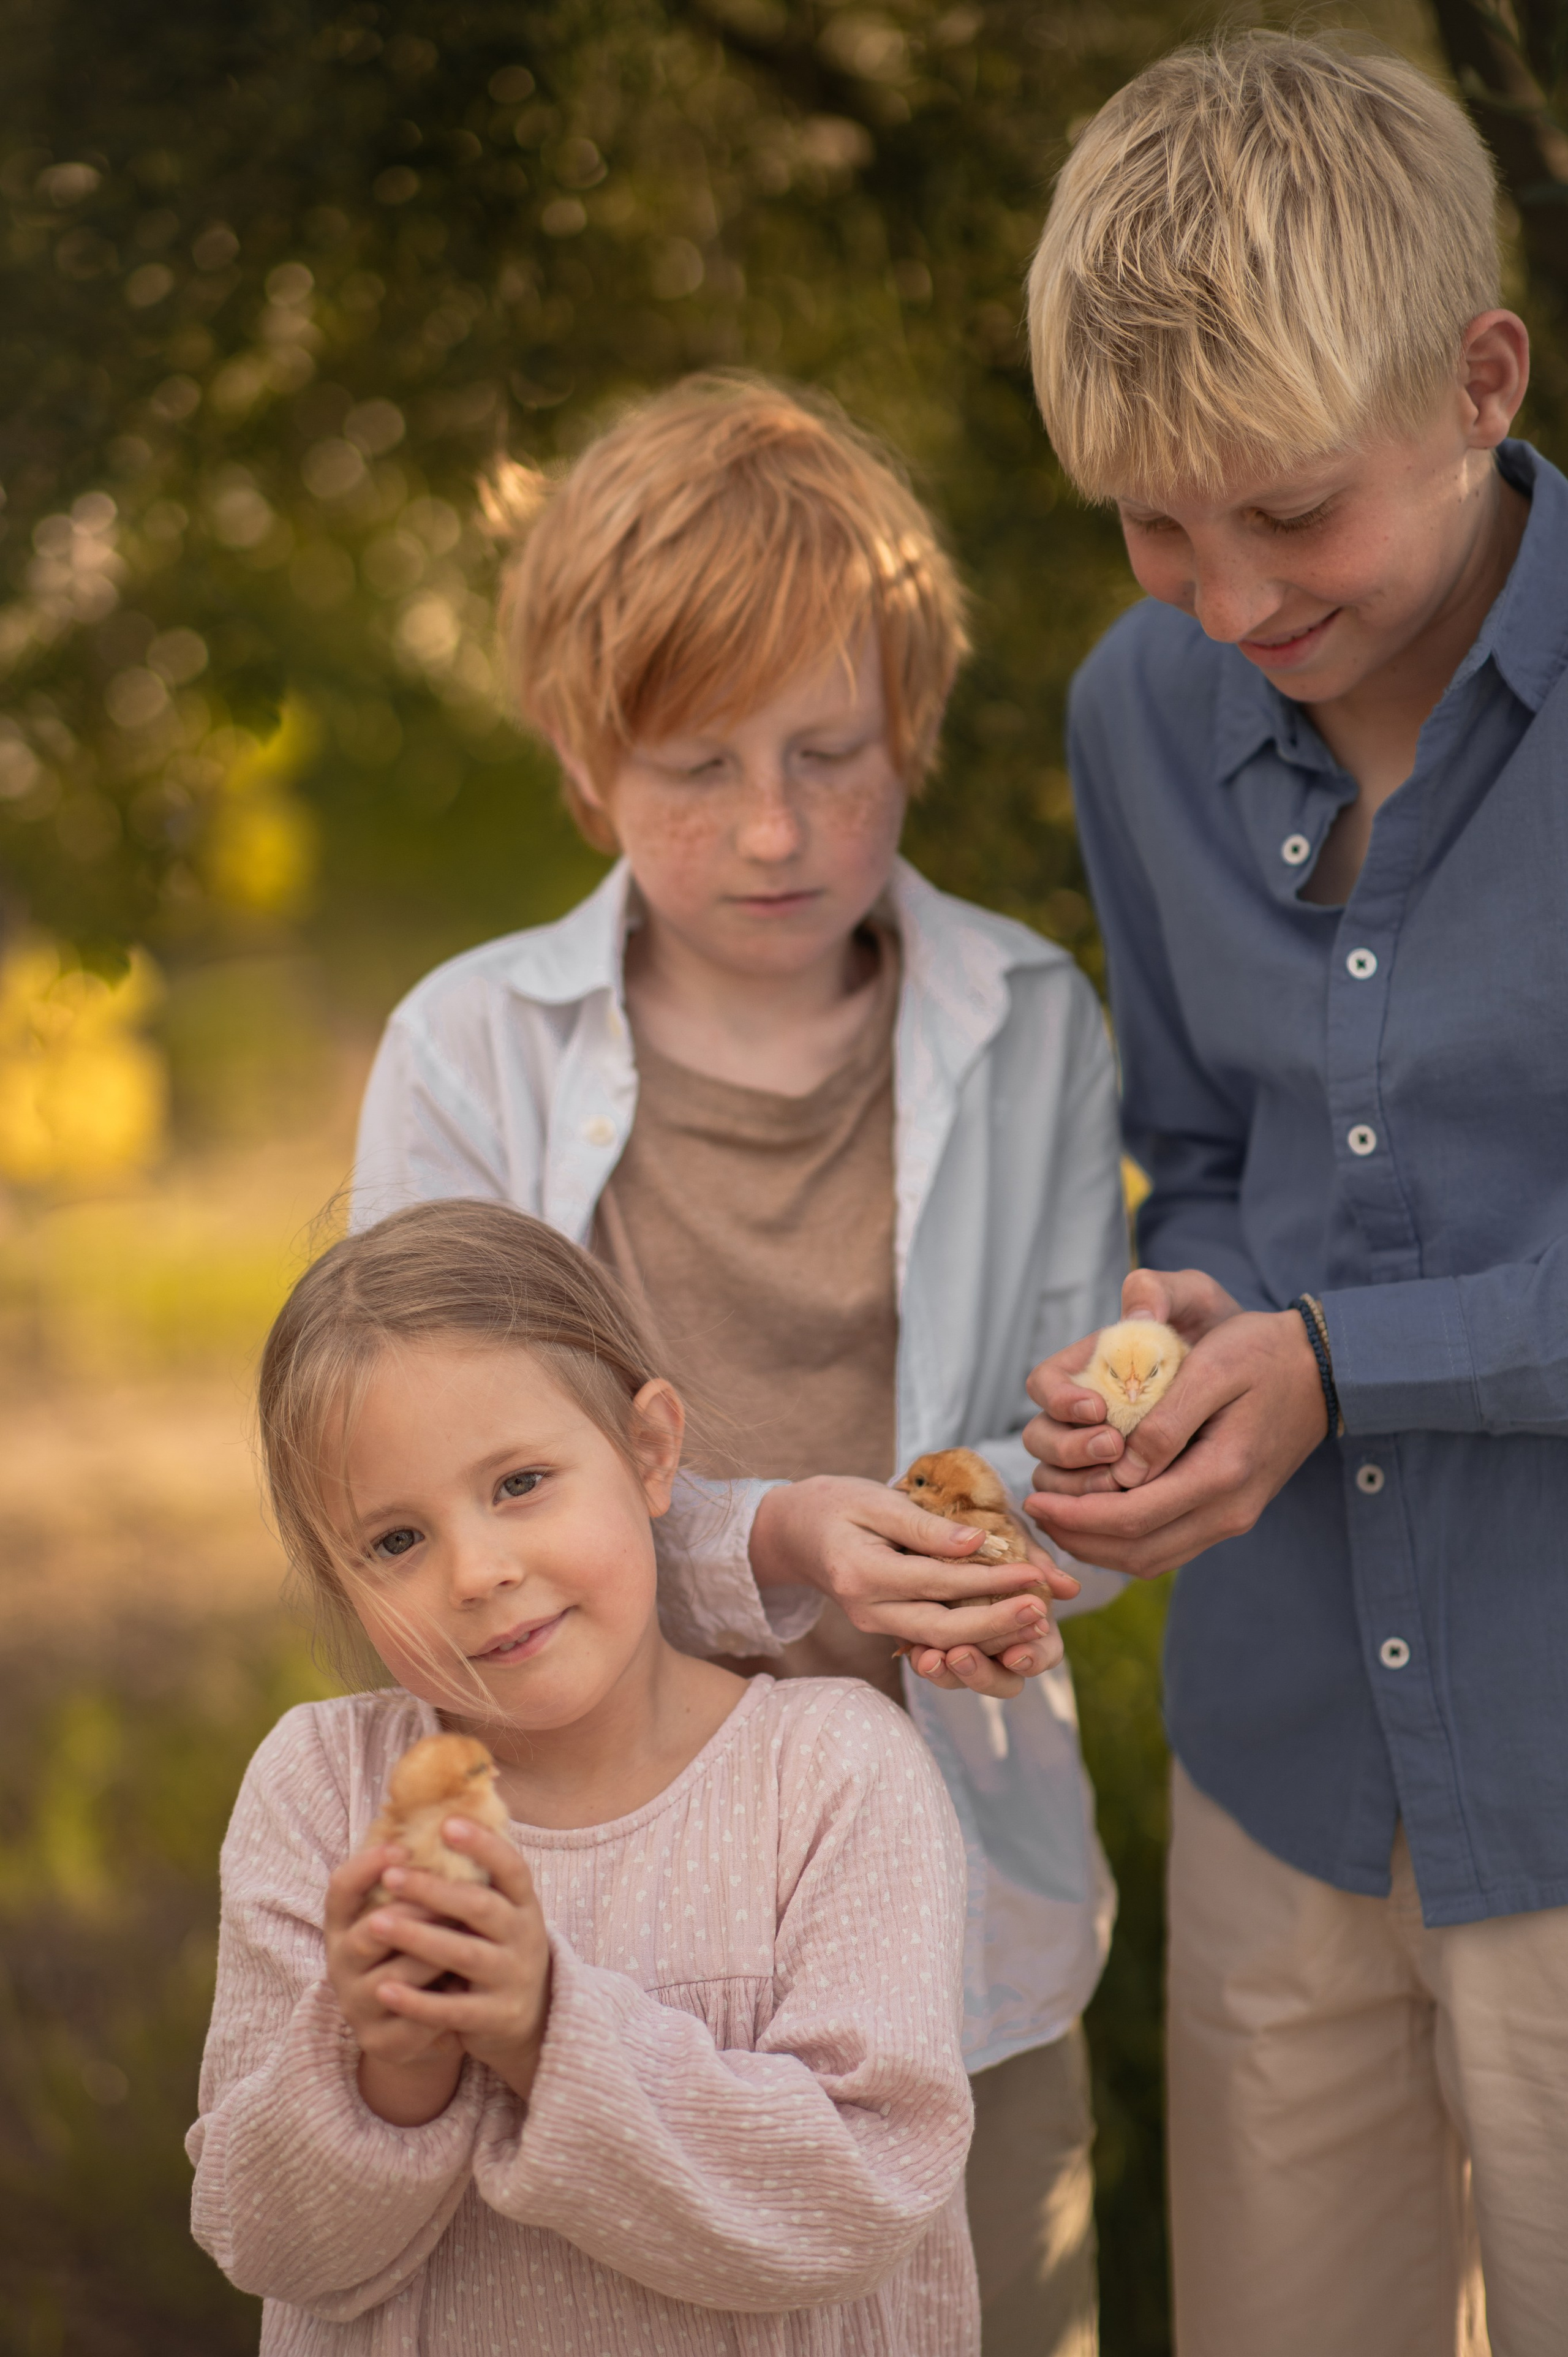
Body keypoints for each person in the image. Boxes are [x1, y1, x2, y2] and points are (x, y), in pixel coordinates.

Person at [350, 374, 1129, 2353]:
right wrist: (772, 1536)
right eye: (695, 764)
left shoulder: (1028, 1021)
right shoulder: (473, 1053)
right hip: (587, 1906)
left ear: (916, 727)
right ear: (581, 758)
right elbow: (415, 1516)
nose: (774, 828)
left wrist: (1023, 1546)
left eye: (832, 753)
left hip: (954, 1916)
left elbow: (1069, 1473)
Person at [1023, 31, 1568, 2356]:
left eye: (1289, 510)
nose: (1225, 595)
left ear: (1480, 375)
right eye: (1157, 523)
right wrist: (1189, 1326)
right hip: (1282, 1777)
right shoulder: (1132, 713)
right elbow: (1218, 1142)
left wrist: (1347, 1360)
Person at [187, 1198, 979, 2353]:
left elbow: (866, 2191)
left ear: (650, 1451)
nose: (478, 1571)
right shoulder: (320, 1793)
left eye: (519, 1484)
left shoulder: (833, 1773)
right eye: (395, 1541)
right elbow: (270, 2246)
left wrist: (545, 2032)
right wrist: (390, 2062)